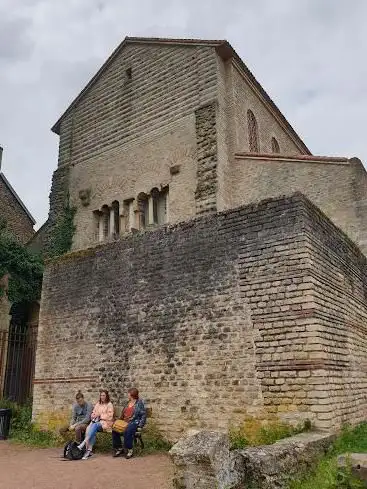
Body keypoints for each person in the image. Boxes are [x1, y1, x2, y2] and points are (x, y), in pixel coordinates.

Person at [78, 389, 114, 460]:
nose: (102, 397)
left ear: (106, 396)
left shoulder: (109, 404)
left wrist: (100, 415)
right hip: (96, 422)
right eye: (101, 395)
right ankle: (88, 451)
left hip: (105, 423)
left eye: (104, 395)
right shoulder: (98, 404)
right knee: (90, 429)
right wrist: (93, 415)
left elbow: (110, 416)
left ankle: (84, 443)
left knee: (94, 426)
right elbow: (93, 412)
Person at [112, 388, 146, 459]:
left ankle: (129, 449)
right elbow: (123, 414)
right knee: (114, 429)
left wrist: (140, 425)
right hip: (125, 421)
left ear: (132, 395)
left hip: (134, 422)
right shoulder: (127, 403)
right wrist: (118, 420)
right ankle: (119, 448)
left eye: (129, 393)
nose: (128, 395)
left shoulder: (139, 403)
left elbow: (143, 415)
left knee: (128, 430)